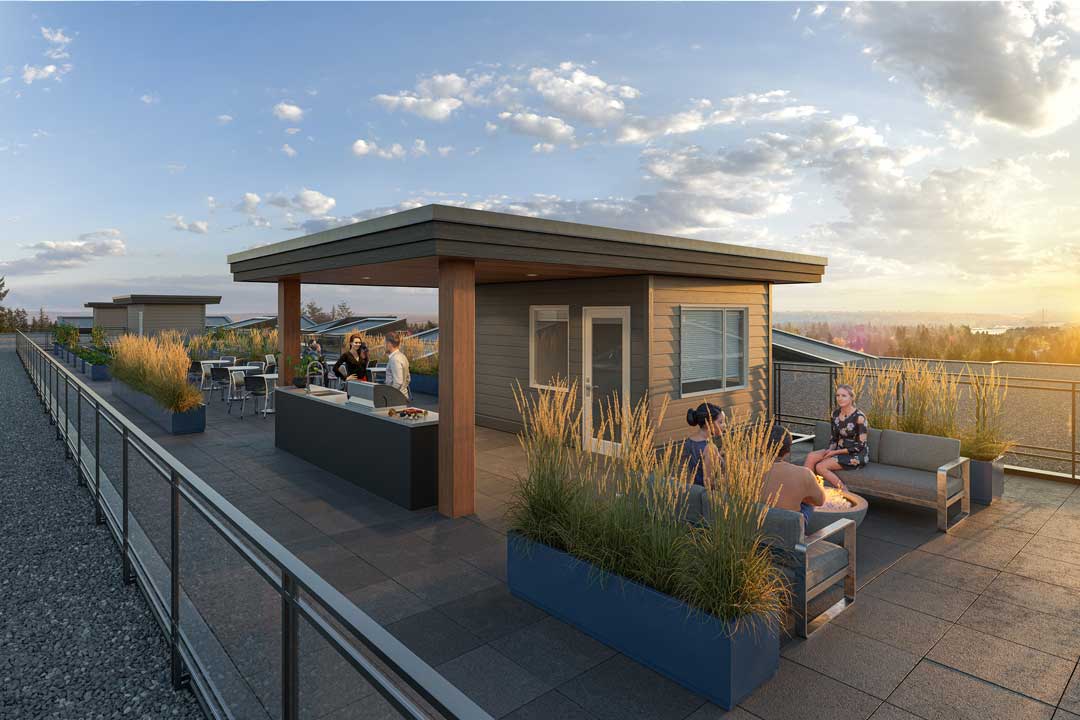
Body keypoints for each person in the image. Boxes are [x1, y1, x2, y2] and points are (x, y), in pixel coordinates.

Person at [803, 383, 870, 490]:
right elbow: (834, 437)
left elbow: (860, 446)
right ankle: (807, 490)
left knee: (820, 466)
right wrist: (829, 450)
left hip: (856, 454)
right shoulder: (835, 414)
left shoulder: (860, 417)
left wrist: (834, 453)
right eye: (838, 395)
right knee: (811, 456)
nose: (840, 398)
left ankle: (845, 491)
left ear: (852, 397)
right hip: (838, 449)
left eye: (844, 396)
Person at [763, 424, 825, 526]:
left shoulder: (744, 470)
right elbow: (820, 501)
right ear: (788, 451)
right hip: (788, 531)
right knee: (808, 503)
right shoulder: (804, 474)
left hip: (754, 528)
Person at [682, 403, 726, 489]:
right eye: (720, 422)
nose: (724, 425)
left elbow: (695, 469)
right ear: (707, 424)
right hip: (706, 497)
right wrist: (726, 481)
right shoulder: (710, 448)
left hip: (693, 490)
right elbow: (708, 483)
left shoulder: (689, 441)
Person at [384, 332, 411, 400]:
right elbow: (408, 379)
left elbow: (398, 383)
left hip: (396, 399)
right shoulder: (403, 356)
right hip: (403, 396)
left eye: (385, 343)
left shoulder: (394, 359)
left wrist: (389, 395)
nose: (384, 345)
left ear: (389, 344)